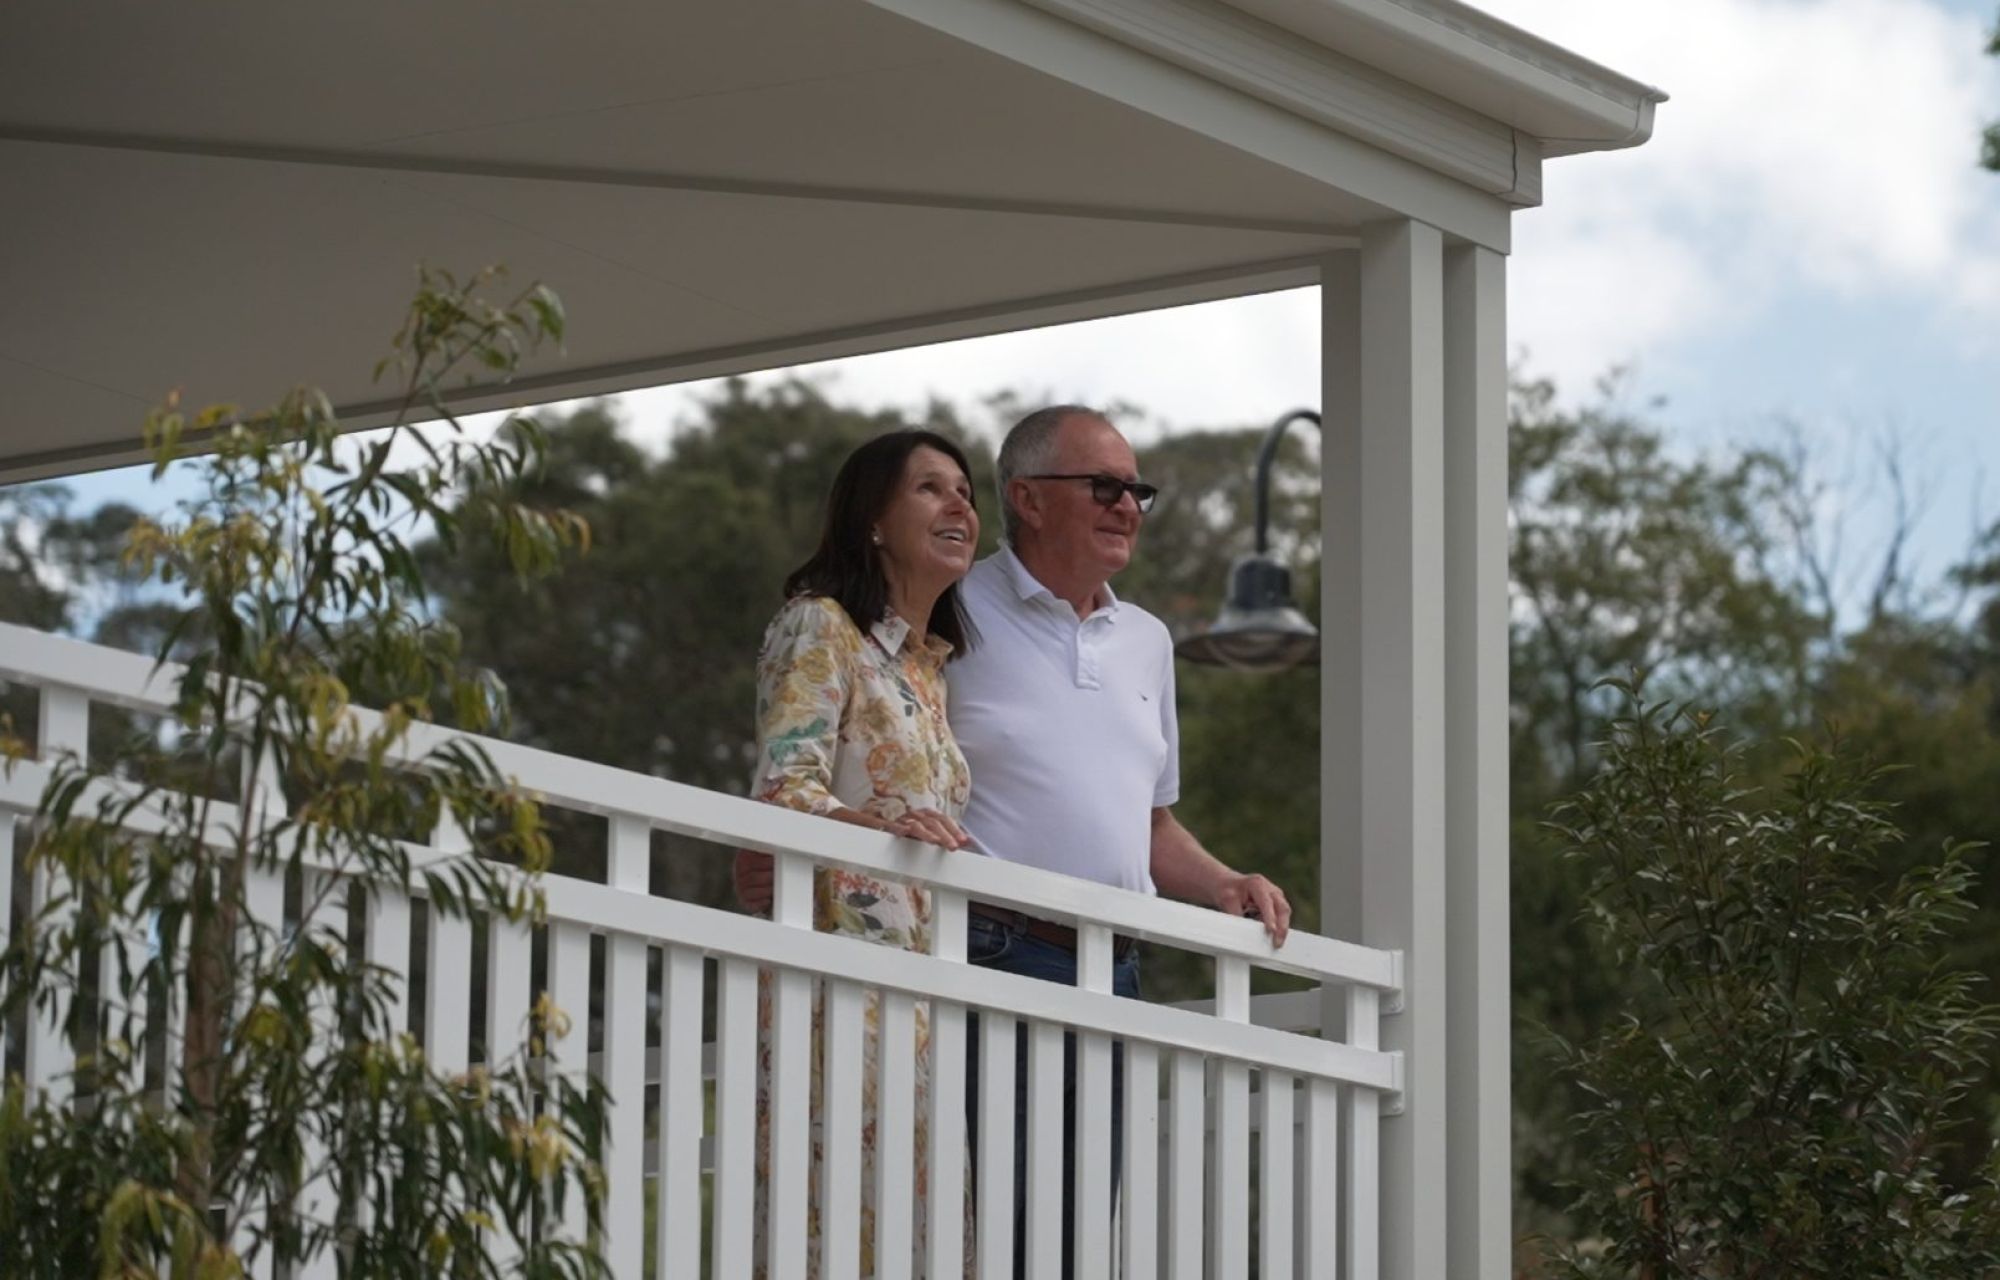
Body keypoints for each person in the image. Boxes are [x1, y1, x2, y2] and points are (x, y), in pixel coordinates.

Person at [948, 404, 1292, 1278]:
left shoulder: (1146, 640)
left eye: (1137, 490)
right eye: (1103, 487)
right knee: (989, 1239)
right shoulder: (948, 606)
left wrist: (1222, 882)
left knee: (1071, 1249)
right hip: (989, 957)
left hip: (1119, 974)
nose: (1128, 506)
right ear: (1026, 498)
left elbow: (1150, 820)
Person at [733, 429, 980, 1279]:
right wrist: (885, 830)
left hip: (920, 993)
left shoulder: (930, 671)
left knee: (924, 1236)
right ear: (873, 519)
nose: (959, 506)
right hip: (833, 981)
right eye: (930, 489)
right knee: (834, 1227)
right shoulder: (818, 626)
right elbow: (787, 788)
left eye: (965, 491)